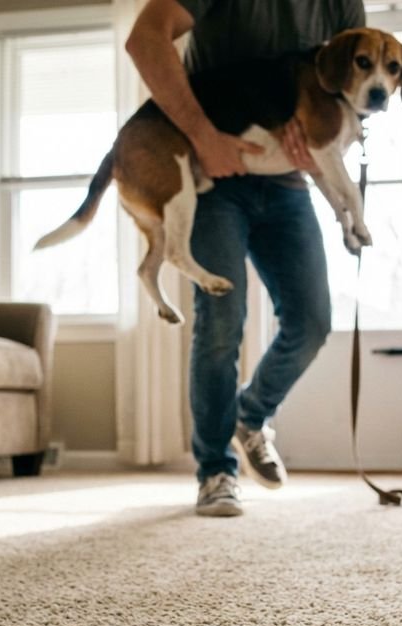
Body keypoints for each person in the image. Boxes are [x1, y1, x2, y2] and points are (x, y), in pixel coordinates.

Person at [126, 0, 366, 516]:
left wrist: (332, 139)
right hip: (212, 176)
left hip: (288, 183)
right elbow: (145, 39)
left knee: (312, 321)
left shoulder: (343, 5)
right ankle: (215, 470)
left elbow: (361, 88)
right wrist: (202, 135)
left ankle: (250, 416)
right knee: (221, 319)